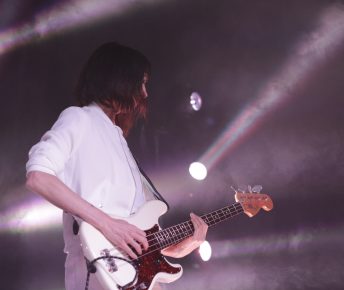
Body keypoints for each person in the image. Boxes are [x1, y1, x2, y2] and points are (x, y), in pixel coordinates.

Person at [25, 42, 208, 290]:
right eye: (140, 83)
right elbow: (38, 176)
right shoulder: (79, 119)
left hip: (134, 277)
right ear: (118, 79)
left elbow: (133, 230)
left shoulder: (117, 138)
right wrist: (108, 224)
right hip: (98, 270)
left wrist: (175, 247)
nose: (144, 94)